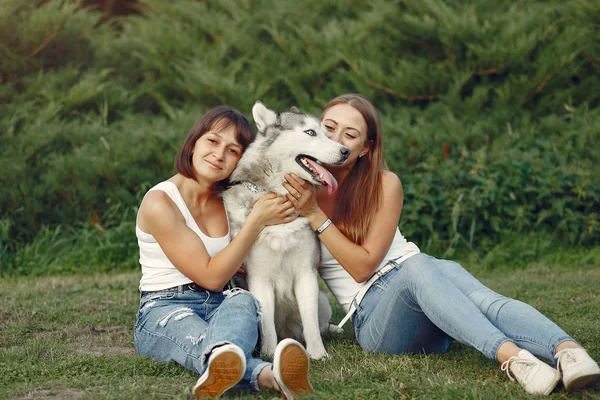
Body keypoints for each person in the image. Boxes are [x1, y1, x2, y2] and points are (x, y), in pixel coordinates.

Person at [282, 93, 600, 395]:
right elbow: (362, 270)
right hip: (377, 316)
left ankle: (569, 353)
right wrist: (312, 212)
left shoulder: (384, 183)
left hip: (427, 277)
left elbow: (369, 260)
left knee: (483, 300)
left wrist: (314, 216)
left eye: (350, 134)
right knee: (420, 265)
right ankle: (513, 359)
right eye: (329, 128)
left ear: (366, 147)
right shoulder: (297, 190)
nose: (336, 140)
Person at [134, 106, 314, 399]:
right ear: (193, 143)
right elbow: (212, 276)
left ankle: (229, 364)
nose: (219, 154)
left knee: (243, 301)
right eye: (213, 141)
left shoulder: (231, 201)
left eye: (232, 150)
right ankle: (268, 375)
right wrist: (256, 221)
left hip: (222, 302)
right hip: (165, 307)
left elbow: (269, 230)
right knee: (206, 342)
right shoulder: (160, 202)